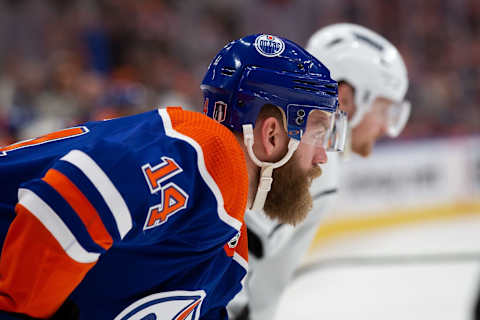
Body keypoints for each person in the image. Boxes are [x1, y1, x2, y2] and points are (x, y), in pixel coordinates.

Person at [0, 34, 346, 320]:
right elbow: (71, 196)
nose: (321, 156)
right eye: (318, 134)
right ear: (272, 135)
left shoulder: (227, 247)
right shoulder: (206, 157)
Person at [228, 23, 411, 320]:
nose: (385, 128)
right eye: (384, 110)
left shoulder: (293, 147)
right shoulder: (313, 162)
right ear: (347, 98)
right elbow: (233, 247)